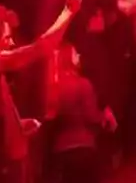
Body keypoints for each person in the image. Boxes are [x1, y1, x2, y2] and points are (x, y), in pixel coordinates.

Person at [0, 0, 82, 183]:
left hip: (4, 167)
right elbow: (42, 47)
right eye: (6, 38)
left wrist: (17, 126)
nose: (12, 43)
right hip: (2, 171)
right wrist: (69, 10)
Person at [49, 41, 117, 183]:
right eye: (76, 54)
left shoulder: (53, 87)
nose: (79, 56)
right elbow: (91, 117)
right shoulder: (82, 84)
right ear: (70, 59)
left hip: (60, 150)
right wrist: (105, 117)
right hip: (82, 148)